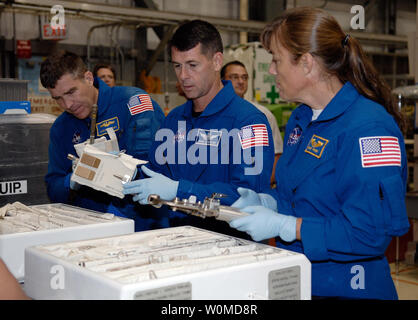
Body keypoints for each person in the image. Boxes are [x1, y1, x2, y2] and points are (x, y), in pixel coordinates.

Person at [229, 7, 410, 299]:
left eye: (276, 59)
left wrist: (285, 225)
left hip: (350, 289)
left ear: (307, 64)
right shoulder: (303, 119)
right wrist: (270, 202)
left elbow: (368, 233)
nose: (272, 69)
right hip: (302, 281)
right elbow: (304, 198)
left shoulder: (369, 129)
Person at [123, 20, 275, 238]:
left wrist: (180, 190)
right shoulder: (174, 120)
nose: (183, 75)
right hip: (177, 240)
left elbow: (248, 197)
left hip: (229, 248)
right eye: (177, 65)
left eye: (192, 65)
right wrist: (121, 169)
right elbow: (156, 175)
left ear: (216, 61)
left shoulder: (250, 123)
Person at [41, 51, 166, 231]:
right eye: (58, 98)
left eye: (71, 92)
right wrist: (73, 180)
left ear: (89, 78)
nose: (67, 105)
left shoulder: (133, 103)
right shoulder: (61, 128)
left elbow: (154, 170)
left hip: (143, 224)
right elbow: (53, 189)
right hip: (91, 229)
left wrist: (116, 169)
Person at [221, 60, 283, 187]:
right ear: (221, 80)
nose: (241, 81)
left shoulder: (260, 115)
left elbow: (276, 157)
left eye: (244, 77)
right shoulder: (214, 114)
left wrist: (257, 189)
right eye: (234, 77)